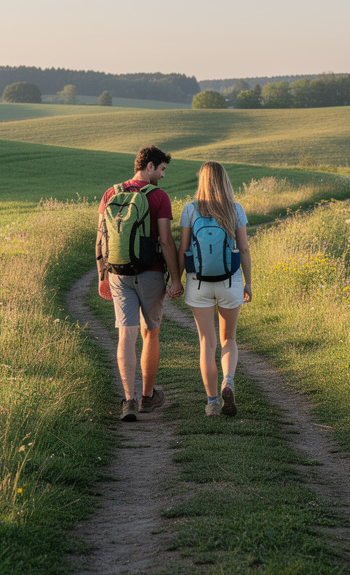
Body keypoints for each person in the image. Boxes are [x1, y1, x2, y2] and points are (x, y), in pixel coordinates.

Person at [97, 145, 184, 422]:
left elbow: (100, 239)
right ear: (149, 166)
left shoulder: (111, 193)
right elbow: (166, 241)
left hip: (118, 273)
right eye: (161, 169)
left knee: (126, 334)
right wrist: (176, 280)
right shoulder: (159, 197)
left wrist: (102, 276)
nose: (162, 175)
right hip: (151, 273)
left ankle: (128, 401)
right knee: (151, 333)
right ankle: (147, 397)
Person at [178, 161, 251, 416]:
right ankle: (228, 380)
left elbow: (183, 249)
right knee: (228, 338)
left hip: (199, 283)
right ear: (224, 181)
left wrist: (176, 280)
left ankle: (211, 403)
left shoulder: (190, 210)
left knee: (207, 342)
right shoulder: (235, 209)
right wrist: (248, 283)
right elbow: (243, 249)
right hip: (230, 282)